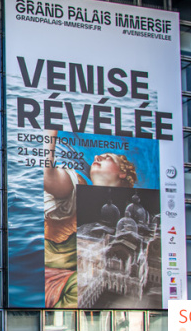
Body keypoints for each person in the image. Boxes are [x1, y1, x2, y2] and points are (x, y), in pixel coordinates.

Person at [43, 130, 137, 308]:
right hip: (54, 279)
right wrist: (50, 135)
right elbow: (49, 177)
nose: (98, 156)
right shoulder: (77, 184)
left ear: (123, 173)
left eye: (108, 157)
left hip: (68, 286)